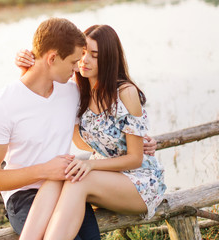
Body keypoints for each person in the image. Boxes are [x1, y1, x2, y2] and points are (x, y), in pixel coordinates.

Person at [16, 24, 166, 240]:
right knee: (63, 171)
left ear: (108, 59)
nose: (84, 60)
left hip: (141, 181)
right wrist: (25, 62)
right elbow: (80, 141)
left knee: (78, 179)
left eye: (94, 55)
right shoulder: (78, 91)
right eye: (83, 53)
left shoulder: (125, 92)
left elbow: (135, 159)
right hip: (107, 175)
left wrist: (91, 163)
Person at [0, 18, 102, 240]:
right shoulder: (2, 104)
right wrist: (45, 170)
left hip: (66, 189)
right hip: (23, 196)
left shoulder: (71, 93)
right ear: (52, 58)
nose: (78, 68)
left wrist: (132, 143)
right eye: (74, 61)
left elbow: (84, 139)